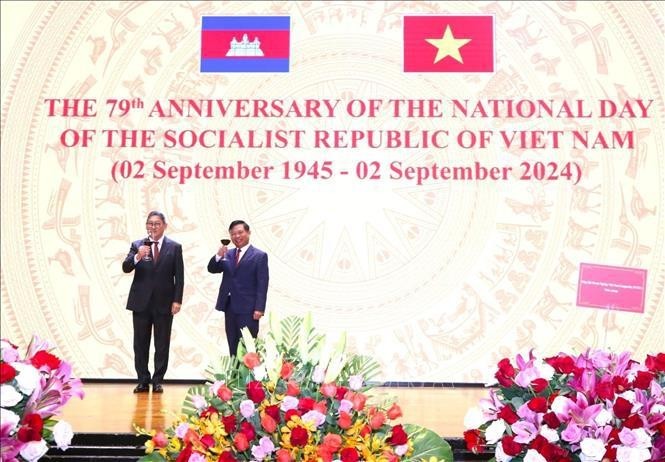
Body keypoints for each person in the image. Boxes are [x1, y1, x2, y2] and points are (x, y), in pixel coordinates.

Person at [122, 211, 183, 393]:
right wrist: (138, 256)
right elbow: (126, 267)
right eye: (150, 224)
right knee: (140, 343)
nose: (153, 227)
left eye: (157, 223)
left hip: (164, 303)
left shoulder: (174, 247)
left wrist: (177, 300)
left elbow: (179, 277)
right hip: (140, 302)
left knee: (162, 343)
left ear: (164, 225)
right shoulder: (137, 245)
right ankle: (142, 379)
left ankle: (157, 380)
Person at [208, 220, 269, 356]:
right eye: (233, 234)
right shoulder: (227, 254)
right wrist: (218, 255)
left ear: (248, 233)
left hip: (249, 309)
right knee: (233, 344)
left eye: (240, 232)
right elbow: (212, 268)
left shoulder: (259, 256)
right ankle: (234, 376)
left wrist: (259, 308)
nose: (237, 236)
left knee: (248, 347)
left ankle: (249, 378)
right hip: (229, 306)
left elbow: (262, 283)